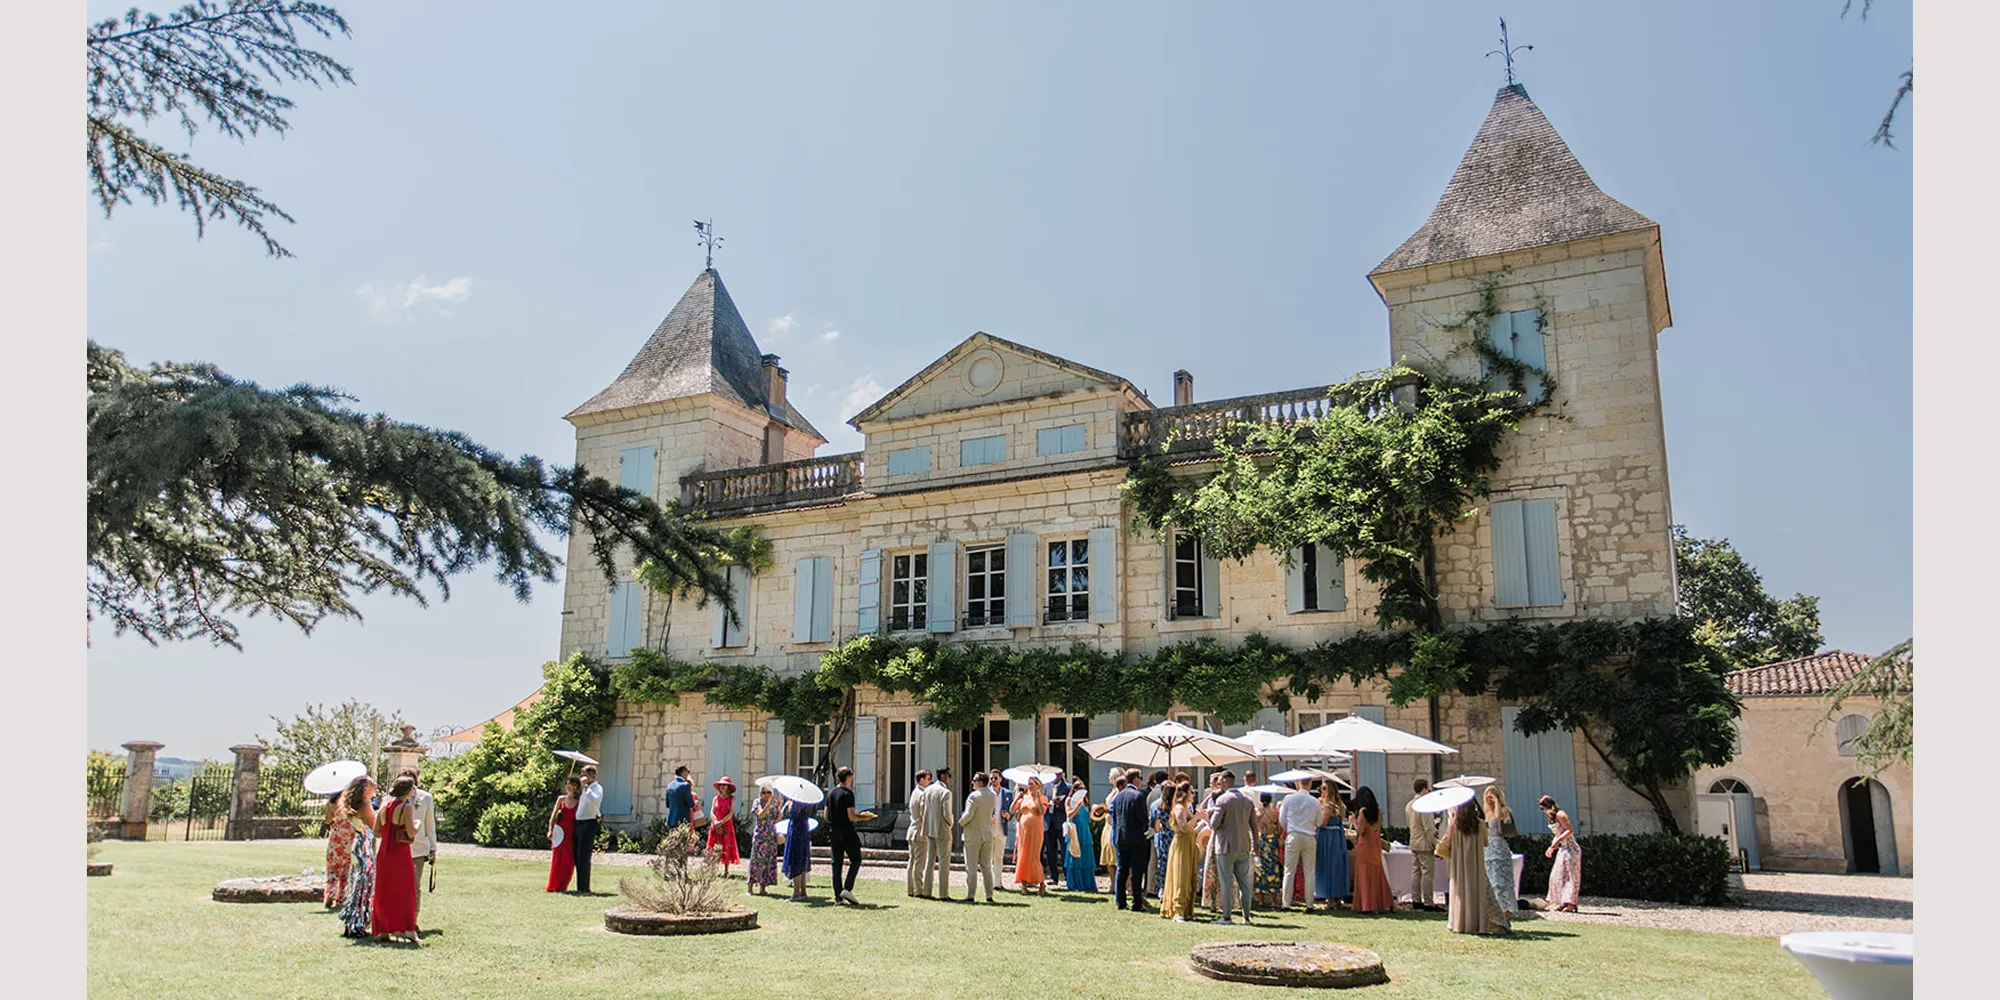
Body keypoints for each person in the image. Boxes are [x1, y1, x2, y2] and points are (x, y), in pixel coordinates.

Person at [370, 775, 421, 944]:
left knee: (384, 891)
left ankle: (383, 929)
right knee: (405, 891)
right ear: (408, 790)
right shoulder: (406, 807)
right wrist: (418, 823)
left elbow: (377, 831)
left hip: (384, 853)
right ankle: (408, 929)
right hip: (400, 852)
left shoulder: (385, 805)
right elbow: (412, 832)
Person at [1209, 771, 1256, 925]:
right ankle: (1246, 917)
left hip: (1225, 846)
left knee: (1226, 882)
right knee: (1244, 883)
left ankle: (1227, 916)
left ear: (1225, 782)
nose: (1219, 785)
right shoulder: (1247, 801)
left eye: (1221, 782)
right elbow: (1254, 826)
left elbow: (1214, 824)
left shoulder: (1223, 800)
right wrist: (1256, 845)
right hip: (1244, 845)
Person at [1441, 801, 1494, 935]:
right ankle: (1477, 923)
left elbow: (1448, 842)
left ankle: (1458, 922)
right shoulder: (1480, 823)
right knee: (1476, 890)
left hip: (1459, 862)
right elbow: (1486, 842)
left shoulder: (1454, 823)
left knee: (1459, 890)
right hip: (1475, 861)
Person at [337, 776, 378, 938]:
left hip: (358, 845)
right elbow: (375, 827)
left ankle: (353, 922)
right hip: (364, 846)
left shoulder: (356, 805)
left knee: (357, 884)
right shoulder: (365, 806)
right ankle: (357, 923)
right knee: (363, 885)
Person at [1108, 770, 1151, 912]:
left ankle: (1120, 901)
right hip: (1136, 839)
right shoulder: (1138, 796)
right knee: (1136, 872)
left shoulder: (1118, 796)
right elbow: (1142, 818)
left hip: (1121, 837)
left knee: (1122, 870)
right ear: (1136, 779)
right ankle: (1136, 902)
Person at [826, 767, 870, 905]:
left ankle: (838, 895)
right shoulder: (848, 794)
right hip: (847, 830)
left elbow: (826, 816)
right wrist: (865, 817)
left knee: (836, 863)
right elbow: (851, 816)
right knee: (856, 859)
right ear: (848, 777)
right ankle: (847, 888)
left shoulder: (831, 793)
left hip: (834, 830)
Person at [400, 768, 437, 924]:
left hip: (418, 847)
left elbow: (430, 824)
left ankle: (412, 921)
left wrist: (433, 848)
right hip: (399, 847)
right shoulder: (391, 798)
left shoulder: (425, 798)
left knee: (414, 886)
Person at [1348, 786, 1393, 914]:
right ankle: (1382, 902)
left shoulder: (1363, 812)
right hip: (1375, 844)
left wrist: (1354, 821)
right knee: (1377, 871)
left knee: (1364, 873)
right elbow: (1377, 827)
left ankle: (1367, 904)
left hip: (1365, 845)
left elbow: (1360, 831)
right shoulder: (1378, 810)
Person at [1277, 780, 1320, 910]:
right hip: (1308, 835)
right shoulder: (1315, 801)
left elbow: (1281, 819)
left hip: (1293, 834)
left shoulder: (1289, 799)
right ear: (1310, 784)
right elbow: (1319, 822)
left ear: (1298, 783)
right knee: (1309, 871)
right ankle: (1309, 904)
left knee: (1289, 871)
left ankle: (1286, 903)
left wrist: (1291, 828)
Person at [1161, 783, 1200, 921]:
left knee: (1190, 876)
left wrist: (1199, 820)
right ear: (1184, 793)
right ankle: (1179, 911)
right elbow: (1183, 827)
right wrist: (1196, 817)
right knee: (1181, 876)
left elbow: (1191, 828)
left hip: (1189, 843)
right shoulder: (1178, 808)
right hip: (1181, 845)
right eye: (1191, 791)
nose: (1193, 794)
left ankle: (1188, 910)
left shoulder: (1185, 808)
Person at [959, 771, 1000, 903]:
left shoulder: (974, 796)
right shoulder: (992, 795)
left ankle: (971, 894)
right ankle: (989, 894)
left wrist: (960, 822)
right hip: (987, 833)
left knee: (971, 867)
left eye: (974, 780)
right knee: (987, 866)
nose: (972, 782)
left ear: (980, 782)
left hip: (973, 834)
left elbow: (968, 815)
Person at [1483, 787, 1516, 934]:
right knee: (1491, 882)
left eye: (1492, 797)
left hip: (1499, 847)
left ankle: (1505, 917)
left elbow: (1498, 818)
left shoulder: (1504, 810)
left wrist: (1497, 802)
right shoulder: (1485, 813)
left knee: (1502, 883)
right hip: (1487, 849)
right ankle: (1496, 918)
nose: (1489, 800)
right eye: (1487, 797)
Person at [1541, 795, 1582, 912]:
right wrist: (1552, 847)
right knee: (1558, 875)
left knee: (1571, 876)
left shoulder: (1560, 814)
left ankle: (1571, 903)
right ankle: (1563, 900)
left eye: (1543, 808)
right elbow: (1558, 834)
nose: (1543, 811)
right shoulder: (1553, 817)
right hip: (1563, 848)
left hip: (1571, 848)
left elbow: (1570, 830)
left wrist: (1556, 843)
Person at [1313, 783, 1351, 907]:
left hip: (1327, 836)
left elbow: (1323, 823)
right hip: (1337, 835)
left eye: (1323, 788)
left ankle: (1331, 897)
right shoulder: (1340, 806)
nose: (1321, 791)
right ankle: (1336, 897)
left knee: (1327, 864)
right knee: (1336, 865)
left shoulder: (1328, 806)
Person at [1011, 777, 1049, 895]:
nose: (1030, 786)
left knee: (1034, 856)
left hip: (1036, 830)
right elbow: (1012, 810)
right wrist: (1017, 797)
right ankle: (1023, 884)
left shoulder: (1042, 798)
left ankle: (1041, 883)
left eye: (1032, 784)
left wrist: (1037, 798)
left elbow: (1042, 812)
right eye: (1029, 784)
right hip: (1023, 830)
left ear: (1038, 785)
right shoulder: (1024, 798)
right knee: (1023, 855)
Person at [1406, 778, 1440, 911]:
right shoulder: (1424, 805)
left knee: (1416, 872)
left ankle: (1416, 900)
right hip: (1424, 843)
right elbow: (1429, 828)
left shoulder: (1409, 804)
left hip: (1414, 841)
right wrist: (1436, 844)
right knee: (1427, 873)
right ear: (1424, 789)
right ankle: (1428, 902)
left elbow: (1410, 824)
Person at [923, 767, 956, 899]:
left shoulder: (927, 790)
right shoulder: (946, 792)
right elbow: (947, 813)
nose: (950, 778)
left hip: (930, 829)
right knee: (944, 863)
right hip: (942, 829)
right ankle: (943, 893)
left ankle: (927, 891)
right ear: (943, 776)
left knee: (929, 861)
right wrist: (951, 823)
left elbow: (922, 809)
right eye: (949, 776)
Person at [571, 763, 603, 894]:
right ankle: (580, 885)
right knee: (577, 855)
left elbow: (594, 801)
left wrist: (585, 787)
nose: (582, 777)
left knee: (584, 855)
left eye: (584, 775)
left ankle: (584, 887)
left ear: (591, 776)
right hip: (579, 822)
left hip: (589, 822)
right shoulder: (584, 789)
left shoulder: (597, 788)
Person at [746, 783, 783, 895]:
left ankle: (763, 887)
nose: (766, 794)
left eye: (768, 792)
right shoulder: (757, 802)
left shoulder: (774, 803)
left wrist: (779, 807)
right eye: (763, 792)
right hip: (760, 835)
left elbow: (777, 818)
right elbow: (761, 814)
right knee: (756, 860)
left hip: (771, 835)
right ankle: (750, 887)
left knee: (768, 860)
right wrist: (769, 804)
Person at [546, 777, 579, 892]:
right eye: (567, 785)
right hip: (560, 831)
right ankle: (553, 885)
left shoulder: (579, 801)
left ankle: (563, 885)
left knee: (568, 860)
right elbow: (553, 816)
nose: (569, 787)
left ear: (576, 787)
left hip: (571, 832)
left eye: (572, 785)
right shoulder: (561, 799)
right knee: (557, 858)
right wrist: (550, 829)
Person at [1253, 792, 1285, 909]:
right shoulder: (1275, 814)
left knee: (1260, 869)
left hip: (1261, 841)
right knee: (1273, 869)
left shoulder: (1258, 813)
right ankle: (1274, 900)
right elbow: (1278, 829)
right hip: (1271, 842)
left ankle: (1260, 899)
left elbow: (1254, 828)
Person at [1063, 778, 1095, 892]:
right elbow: (1069, 814)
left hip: (1085, 831)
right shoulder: (1069, 800)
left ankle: (1087, 883)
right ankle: (1075, 883)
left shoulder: (1086, 802)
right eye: (1079, 788)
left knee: (1086, 858)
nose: (1082, 791)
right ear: (1074, 789)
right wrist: (1077, 805)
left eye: (1083, 788)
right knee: (1075, 856)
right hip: (1075, 831)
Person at [905, 770, 933, 897]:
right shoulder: (922, 794)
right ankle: (918, 890)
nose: (930, 781)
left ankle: (911, 889)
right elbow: (924, 813)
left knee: (912, 862)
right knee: (919, 863)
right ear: (921, 780)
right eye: (928, 779)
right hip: (920, 831)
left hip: (912, 830)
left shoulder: (914, 792)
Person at [781, 793, 813, 902]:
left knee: (796, 860)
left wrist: (790, 806)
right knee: (802, 859)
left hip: (796, 831)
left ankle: (796, 892)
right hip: (803, 829)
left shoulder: (797, 802)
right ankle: (803, 891)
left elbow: (794, 814)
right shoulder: (806, 801)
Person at [322, 792, 352, 910]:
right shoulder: (350, 802)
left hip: (336, 837)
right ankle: (341, 898)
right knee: (346, 870)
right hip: (349, 837)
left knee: (333, 868)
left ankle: (330, 893)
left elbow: (328, 820)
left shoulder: (331, 803)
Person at [707, 777, 740, 878]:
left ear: (728, 787)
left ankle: (726, 870)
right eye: (721, 785)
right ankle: (712, 869)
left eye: (724, 785)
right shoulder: (715, 799)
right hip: (715, 825)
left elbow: (731, 812)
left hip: (726, 825)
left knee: (726, 846)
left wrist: (721, 822)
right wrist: (716, 822)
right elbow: (712, 812)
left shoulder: (732, 799)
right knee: (715, 846)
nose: (722, 787)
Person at [1043, 771, 1069, 884]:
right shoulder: (1046, 786)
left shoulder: (1068, 787)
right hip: (1048, 822)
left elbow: (1069, 803)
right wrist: (1047, 804)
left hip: (1061, 821)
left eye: (1057, 774)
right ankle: (1054, 876)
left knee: (1064, 850)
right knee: (1050, 851)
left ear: (1061, 775)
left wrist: (1059, 803)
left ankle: (1067, 876)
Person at [663, 765, 695, 829]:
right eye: (687, 771)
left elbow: (667, 804)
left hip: (671, 819)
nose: (688, 774)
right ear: (683, 772)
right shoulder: (685, 785)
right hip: (682, 820)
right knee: (683, 838)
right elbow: (691, 804)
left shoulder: (670, 785)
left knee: (672, 838)